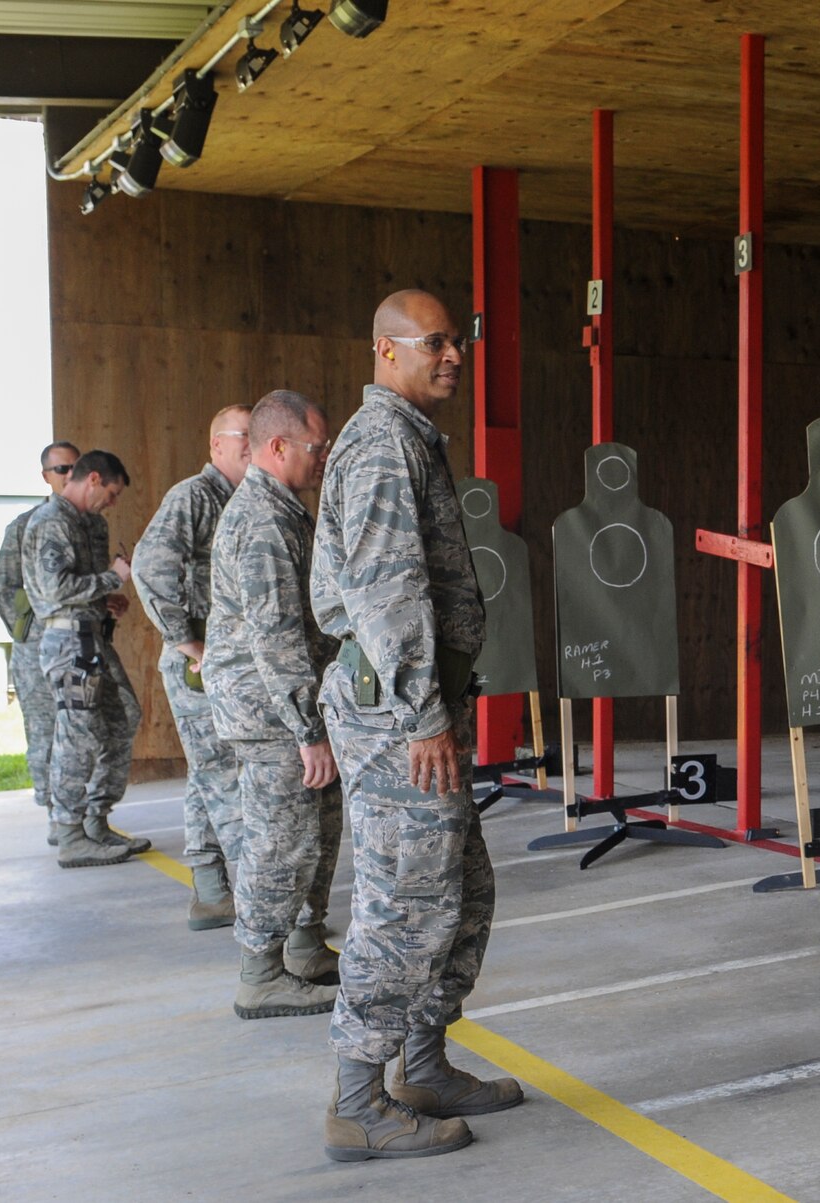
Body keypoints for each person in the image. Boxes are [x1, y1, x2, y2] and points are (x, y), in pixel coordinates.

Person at [311, 289, 514, 1162]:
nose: (455, 356)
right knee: (404, 905)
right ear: (386, 351)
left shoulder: (408, 438)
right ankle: (357, 1102)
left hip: (417, 711)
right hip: (402, 718)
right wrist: (426, 712)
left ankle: (422, 1064)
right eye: (437, 343)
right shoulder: (385, 444)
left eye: (458, 341)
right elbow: (387, 592)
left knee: (458, 891)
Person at [204, 391, 344, 1020]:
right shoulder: (262, 520)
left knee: (316, 830)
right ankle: (259, 971)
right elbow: (276, 633)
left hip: (286, 707)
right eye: (317, 448)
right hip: (270, 714)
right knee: (282, 839)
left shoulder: (283, 509)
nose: (324, 458)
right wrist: (307, 728)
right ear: (278, 447)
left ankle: (304, 947)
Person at [133, 405, 250, 929]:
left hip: (225, 661)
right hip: (200, 666)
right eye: (241, 436)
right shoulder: (194, 496)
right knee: (227, 775)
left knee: (210, 772)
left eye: (258, 435)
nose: (252, 444)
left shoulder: (244, 499)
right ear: (216, 445)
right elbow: (149, 566)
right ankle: (257, 901)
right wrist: (189, 644)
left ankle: (208, 889)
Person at [23, 449, 144, 869]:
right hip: (70, 646)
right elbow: (56, 591)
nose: (111, 503)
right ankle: (70, 832)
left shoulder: (85, 523)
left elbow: (77, 585)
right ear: (92, 479)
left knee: (120, 719)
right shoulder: (53, 521)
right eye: (110, 494)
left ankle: (95, 821)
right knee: (78, 737)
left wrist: (105, 598)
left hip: (89, 640)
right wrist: (114, 576)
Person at [0, 442, 81, 842]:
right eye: (61, 469)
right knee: (45, 731)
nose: (68, 475)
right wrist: (26, 627)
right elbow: (3, 582)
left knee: (81, 731)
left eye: (75, 468)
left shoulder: (89, 523)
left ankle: (80, 814)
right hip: (37, 648)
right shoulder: (25, 525)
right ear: (45, 476)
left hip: (80, 645)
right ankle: (53, 813)